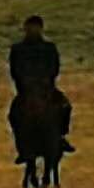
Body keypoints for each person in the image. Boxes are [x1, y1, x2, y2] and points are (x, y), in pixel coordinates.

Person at [8, 15, 75, 163]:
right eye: (30, 28)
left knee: (65, 106)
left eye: (36, 28)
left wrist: (46, 81)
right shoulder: (18, 49)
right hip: (26, 89)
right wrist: (24, 83)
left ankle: (61, 136)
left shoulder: (49, 48)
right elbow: (14, 70)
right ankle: (22, 147)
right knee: (14, 114)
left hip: (46, 88)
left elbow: (54, 67)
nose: (33, 31)